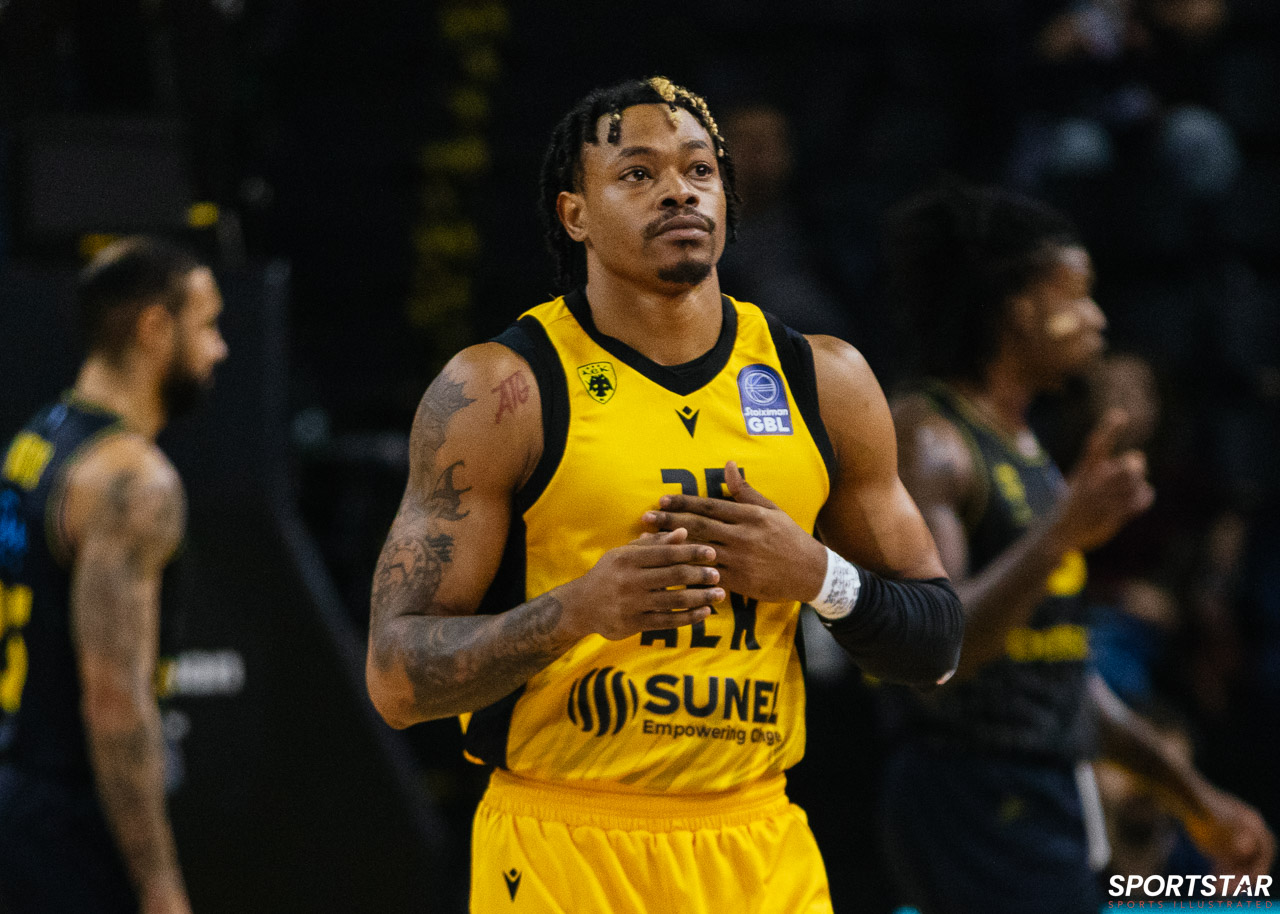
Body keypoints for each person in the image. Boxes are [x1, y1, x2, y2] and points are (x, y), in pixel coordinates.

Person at [367, 76, 963, 913]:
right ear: (575, 214)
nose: (679, 190)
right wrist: (576, 610)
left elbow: (937, 644)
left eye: (699, 169)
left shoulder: (822, 379)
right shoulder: (499, 390)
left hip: (758, 840)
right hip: (565, 841)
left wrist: (815, 574)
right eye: (638, 173)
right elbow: (395, 680)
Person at [880, 182, 1274, 914]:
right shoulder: (929, 437)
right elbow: (936, 651)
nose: (1097, 318)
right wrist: (1063, 532)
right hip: (971, 791)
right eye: (1078, 296)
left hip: (1044, 786)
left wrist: (1196, 799)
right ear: (1018, 309)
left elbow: (1064, 678)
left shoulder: (1029, 448)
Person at [0, 238, 227, 913]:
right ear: (155, 328)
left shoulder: (38, 439)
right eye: (208, 325)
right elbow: (114, 706)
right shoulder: (133, 483)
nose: (219, 349)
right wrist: (159, 885)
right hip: (68, 822)